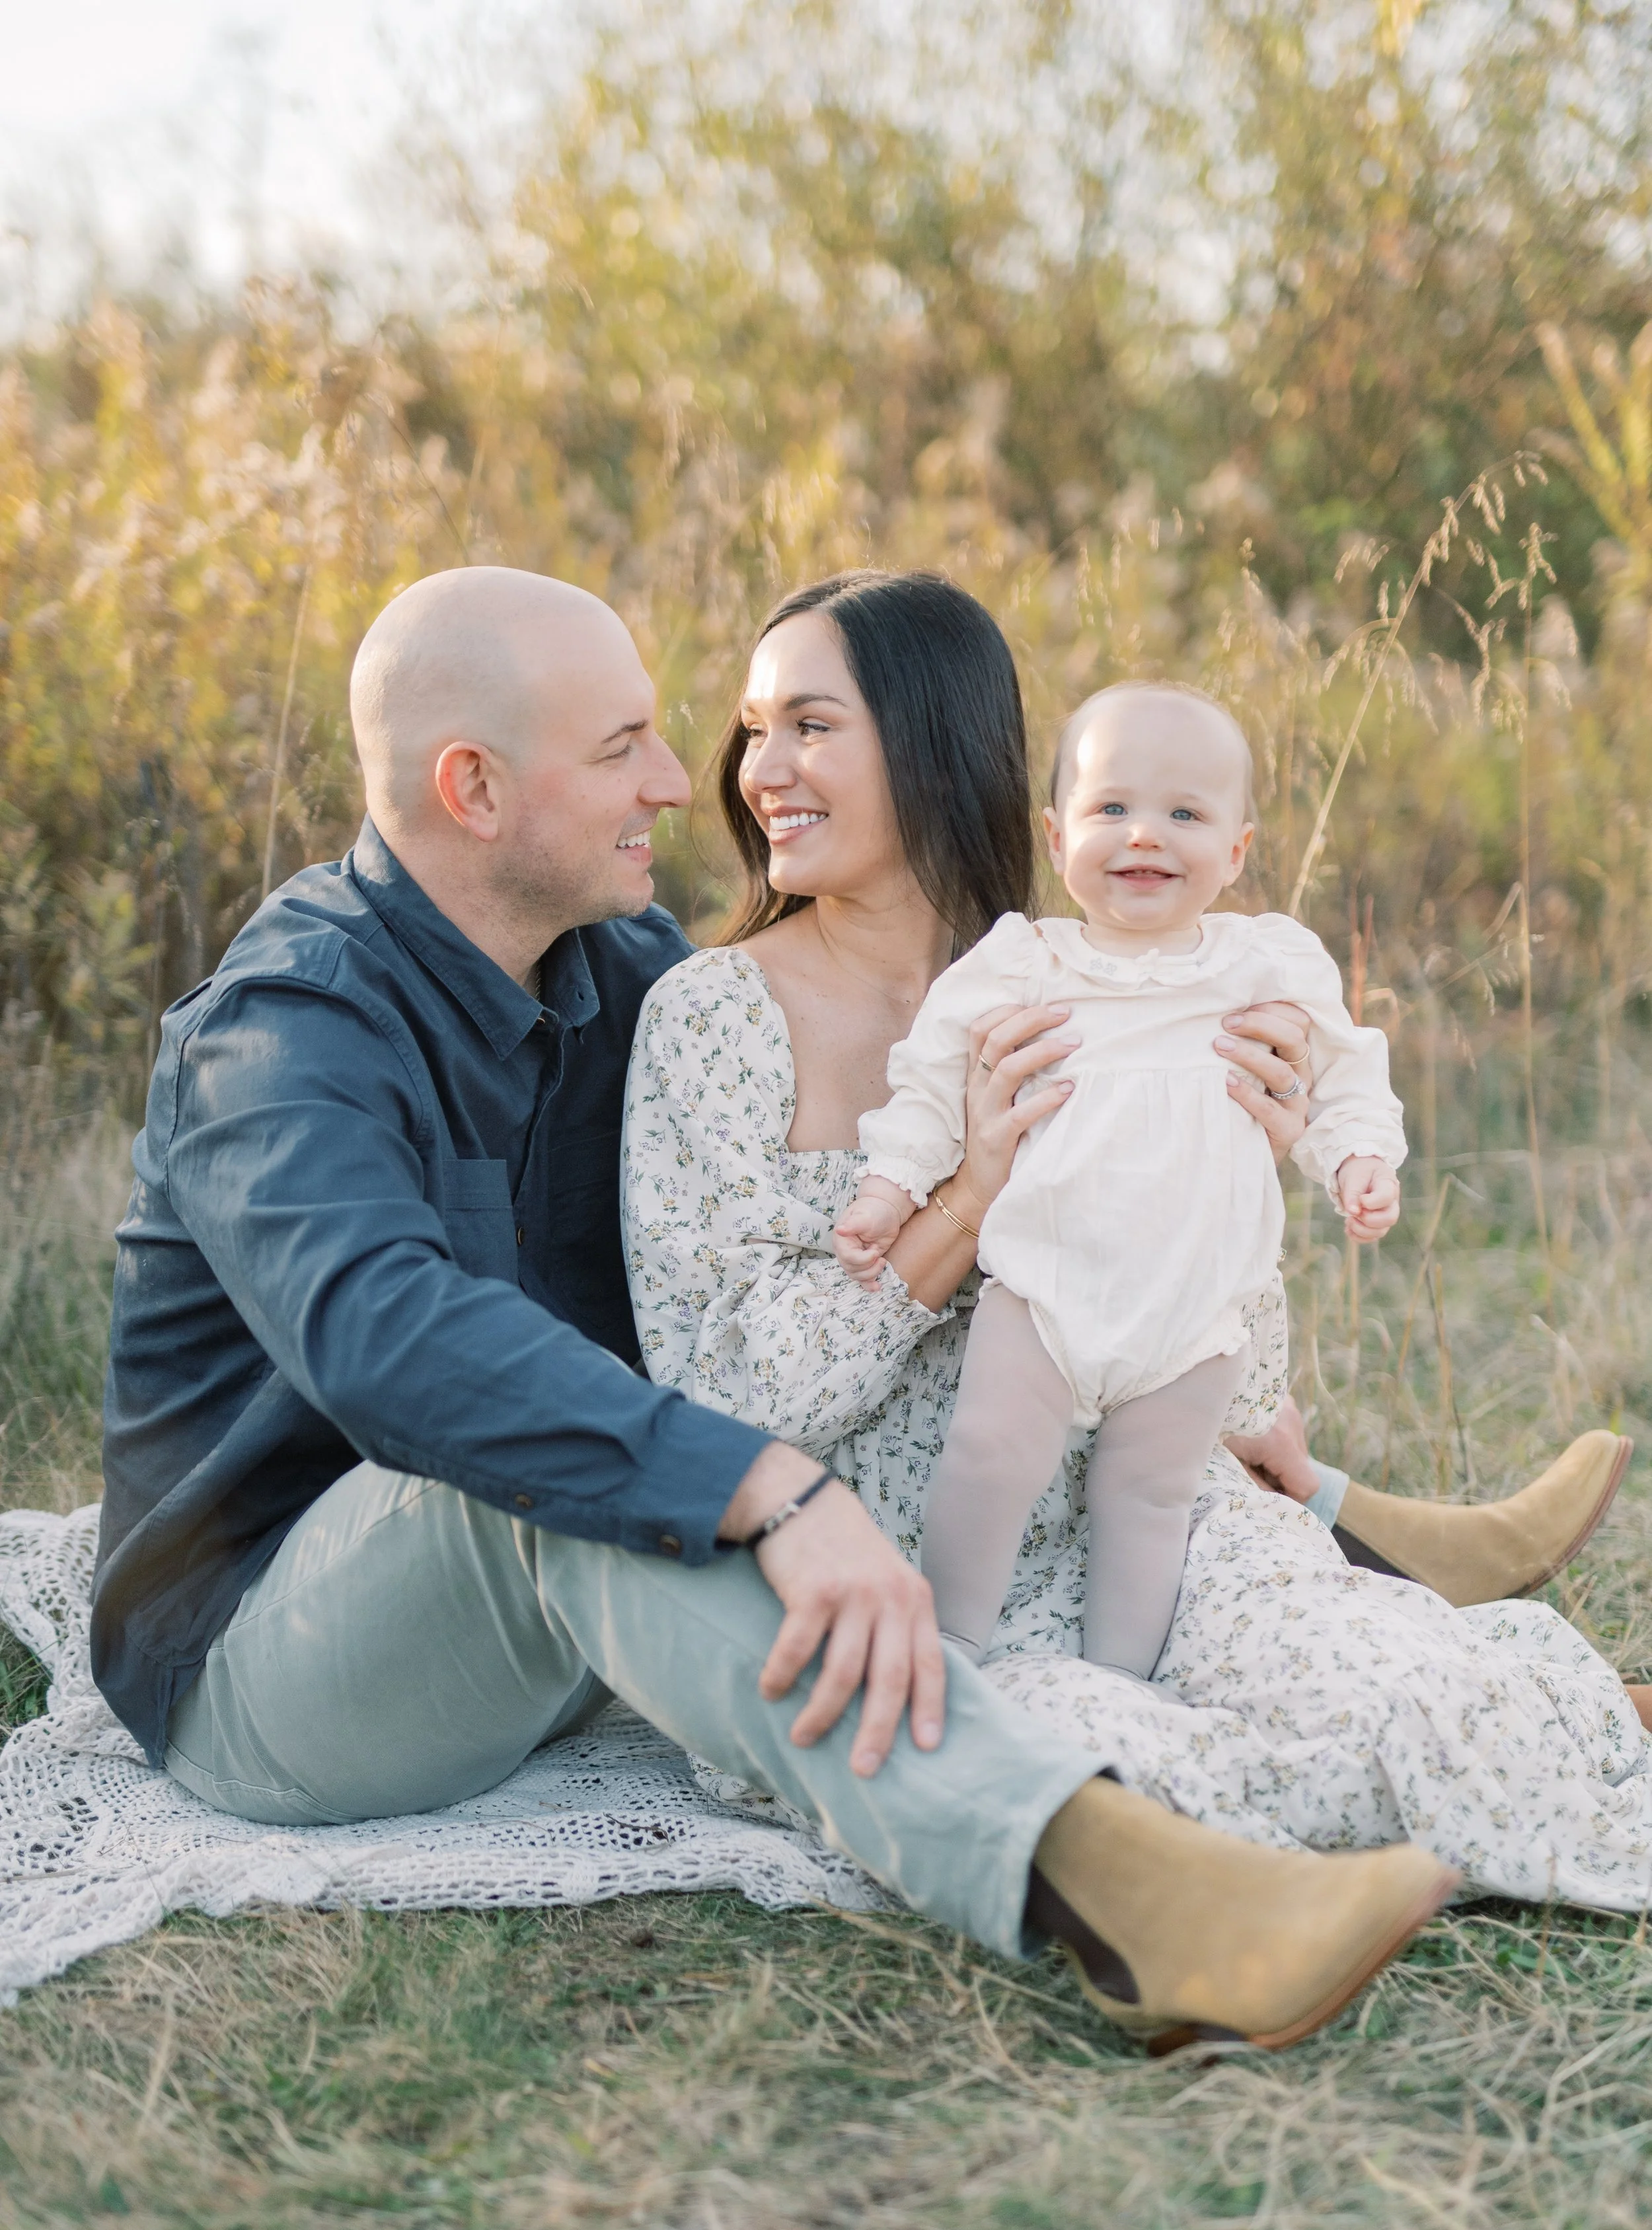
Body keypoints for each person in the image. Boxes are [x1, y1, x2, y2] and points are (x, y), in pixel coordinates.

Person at [88, 562, 1454, 2057]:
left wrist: (1195, 1172)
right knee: (585, 1477)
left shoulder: (629, 976)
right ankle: (1124, 1890)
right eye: (622, 748)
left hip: (551, 1643)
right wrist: (766, 1488)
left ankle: (1367, 1553)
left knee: (669, 1458)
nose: (684, 784)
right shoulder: (281, 1032)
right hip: (271, 1661)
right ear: (473, 787)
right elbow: (387, 1338)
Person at [623, 566, 1652, 1922]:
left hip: (1147, 1523)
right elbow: (724, 1403)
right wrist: (967, 1199)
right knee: (1130, 1777)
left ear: (934, 744)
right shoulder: (711, 1016)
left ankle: (1472, 1704)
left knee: (1422, 1694)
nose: (763, 770)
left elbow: (1225, 1366)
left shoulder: (1119, 968)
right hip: (901, 1576)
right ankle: (1269, 1886)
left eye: (810, 726)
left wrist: (1246, 1171)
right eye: (756, 730)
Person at [833, 681, 1406, 1675]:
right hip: (1046, 1285)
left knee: (1148, 1497)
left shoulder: (1263, 964)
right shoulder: (1027, 962)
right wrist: (890, 1189)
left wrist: (1358, 1159)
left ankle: (1119, 1682)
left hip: (1192, 1308)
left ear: (1237, 851)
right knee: (989, 1455)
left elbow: (1346, 1071)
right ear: (1058, 838)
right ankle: (951, 1646)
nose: (1145, 834)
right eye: (1112, 808)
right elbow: (929, 1077)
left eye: (1185, 813)